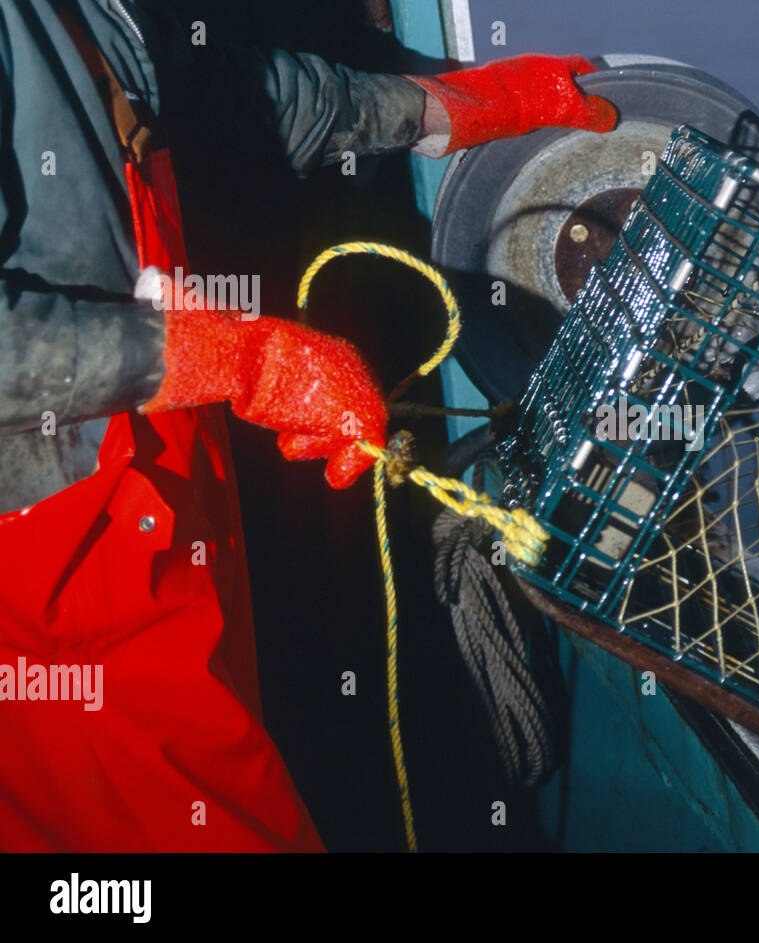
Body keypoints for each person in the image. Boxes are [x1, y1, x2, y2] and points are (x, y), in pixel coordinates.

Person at [0, 0, 617, 851]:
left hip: (161, 509)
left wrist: (457, 109)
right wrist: (242, 362)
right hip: (47, 571)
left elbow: (232, 95)